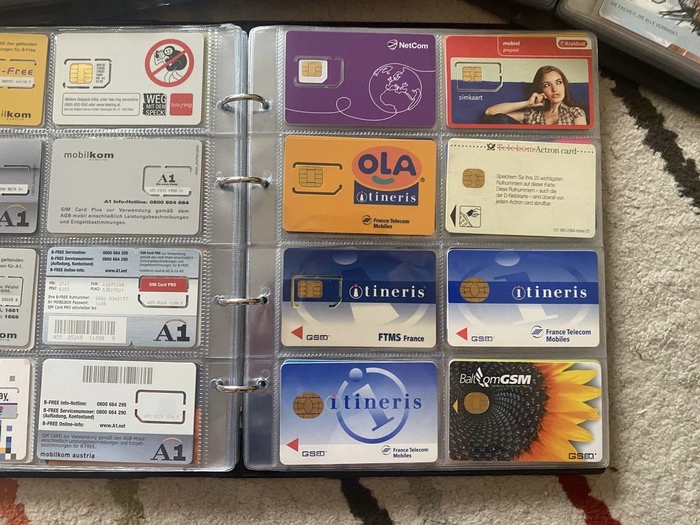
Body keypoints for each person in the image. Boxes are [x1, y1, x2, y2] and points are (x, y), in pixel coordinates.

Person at [483, 65, 587, 125]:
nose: (554, 89)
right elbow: (490, 113)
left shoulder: (575, 112)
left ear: (564, 85)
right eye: (547, 85)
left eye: (558, 82)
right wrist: (527, 103)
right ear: (541, 90)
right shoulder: (533, 115)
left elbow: (581, 143)